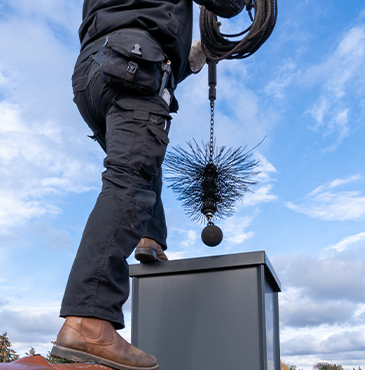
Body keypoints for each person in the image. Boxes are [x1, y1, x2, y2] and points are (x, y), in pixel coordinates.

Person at [51, 1, 245, 369]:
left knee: (140, 161)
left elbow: (141, 18)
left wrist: (199, 53)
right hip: (133, 63)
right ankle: (88, 321)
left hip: (94, 72)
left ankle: (150, 238)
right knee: (131, 177)